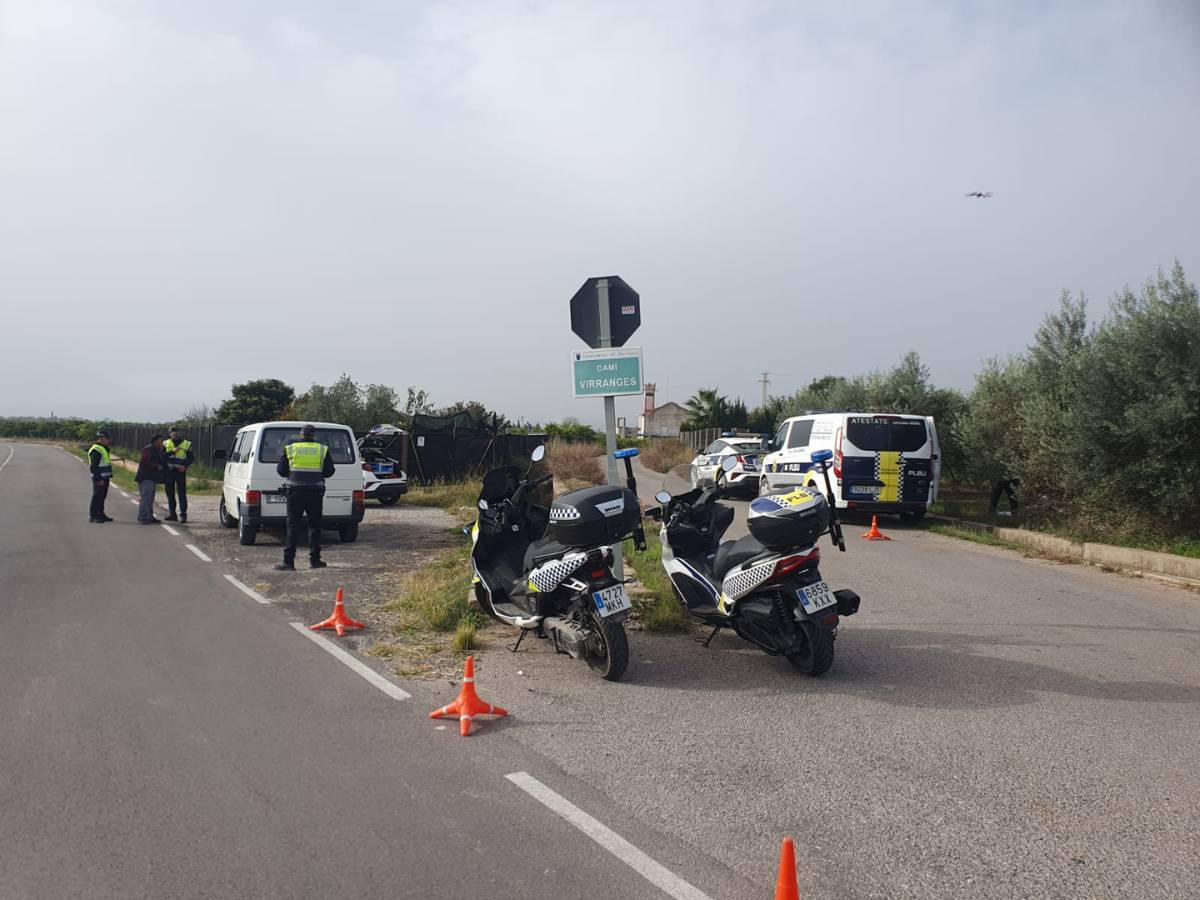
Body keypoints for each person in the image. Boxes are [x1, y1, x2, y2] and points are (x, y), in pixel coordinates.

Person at [275, 423, 336, 570]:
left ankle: (288, 562)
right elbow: (329, 471)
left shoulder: (291, 449)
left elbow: (281, 471)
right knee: (314, 526)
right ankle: (315, 561)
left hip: (294, 492)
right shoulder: (322, 449)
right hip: (315, 493)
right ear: (313, 436)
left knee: (292, 526)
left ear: (300, 435)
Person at [163, 426, 195, 523]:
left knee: (181, 493)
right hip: (169, 471)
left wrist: (184, 466)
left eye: (177, 432)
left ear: (179, 433)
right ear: (169, 433)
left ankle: (183, 515)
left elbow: (191, 458)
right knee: (169, 493)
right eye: (173, 433)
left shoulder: (186, 444)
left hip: (180, 472)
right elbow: (162, 456)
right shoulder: (165, 443)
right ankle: (172, 514)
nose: (175, 434)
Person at [135, 434, 168, 524]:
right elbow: (144, 461)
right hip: (146, 477)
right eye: (161, 441)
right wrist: (156, 466)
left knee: (150, 498)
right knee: (146, 498)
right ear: (156, 441)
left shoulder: (157, 449)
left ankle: (149, 516)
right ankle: (143, 517)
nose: (162, 443)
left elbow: (163, 457)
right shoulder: (149, 449)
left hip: (151, 477)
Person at [88, 429, 115, 523]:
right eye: (107, 439)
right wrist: (98, 479)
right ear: (102, 439)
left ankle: (100, 513)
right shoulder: (96, 449)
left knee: (102, 496)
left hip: (104, 477)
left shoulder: (103, 448)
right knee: (97, 496)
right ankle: (94, 515)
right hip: (99, 477)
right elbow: (93, 466)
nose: (109, 440)